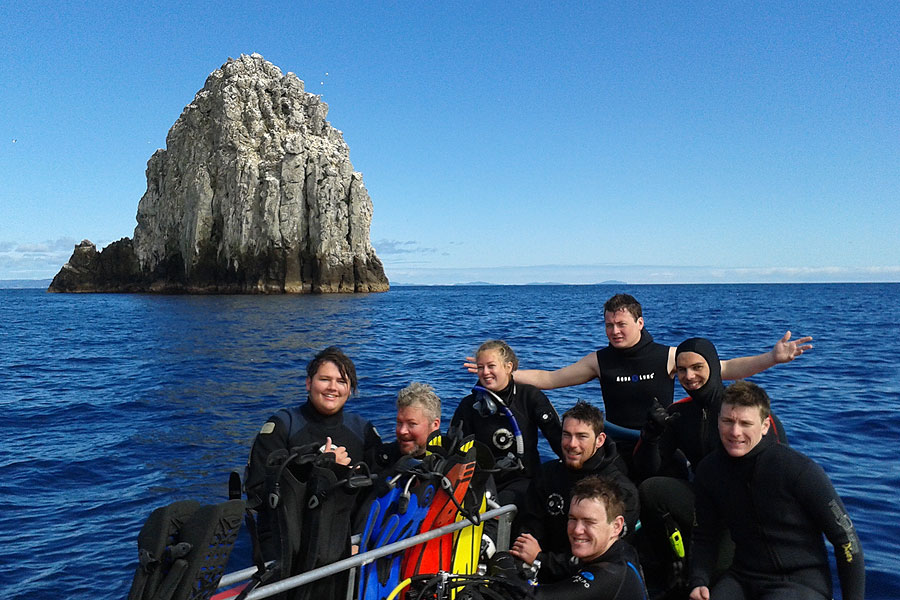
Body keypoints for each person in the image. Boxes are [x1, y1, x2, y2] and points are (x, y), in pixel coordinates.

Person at [494, 293, 812, 463]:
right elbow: (550, 378)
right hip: (616, 446)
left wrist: (772, 358)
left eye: (621, 324)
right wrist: (501, 374)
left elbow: (725, 368)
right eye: (608, 325)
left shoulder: (669, 356)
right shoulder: (599, 361)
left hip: (661, 445)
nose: (614, 331)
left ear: (640, 322)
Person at [632, 338, 788, 593]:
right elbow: (647, 469)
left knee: (717, 579)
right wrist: (650, 435)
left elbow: (780, 474)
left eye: (697, 367)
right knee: (651, 489)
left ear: (714, 367)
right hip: (706, 503)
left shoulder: (745, 412)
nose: (689, 376)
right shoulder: (679, 413)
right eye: (681, 370)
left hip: (745, 516)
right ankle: (673, 563)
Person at [689, 381, 864, 600]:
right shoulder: (709, 470)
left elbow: (846, 540)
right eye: (727, 421)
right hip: (743, 577)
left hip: (801, 582)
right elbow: (704, 535)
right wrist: (699, 581)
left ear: (764, 426)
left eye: (745, 423)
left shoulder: (797, 469)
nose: (735, 432)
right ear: (718, 421)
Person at [244, 346, 382, 560]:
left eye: (342, 382)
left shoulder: (362, 431)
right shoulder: (283, 426)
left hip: (340, 545)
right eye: (325, 379)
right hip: (287, 547)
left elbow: (377, 491)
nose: (332, 388)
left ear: (350, 389)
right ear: (309, 383)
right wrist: (317, 469)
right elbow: (257, 492)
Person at [517, 400, 638, 559]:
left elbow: (607, 555)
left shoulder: (620, 490)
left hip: (594, 574)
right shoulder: (547, 474)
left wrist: (541, 560)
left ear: (600, 440)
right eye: (566, 435)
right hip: (541, 564)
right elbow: (530, 528)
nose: (572, 444)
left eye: (582, 436)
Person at [452, 339, 564, 507]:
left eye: (491, 366)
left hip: (522, 479)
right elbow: (455, 449)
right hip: (481, 482)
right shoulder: (469, 405)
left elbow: (557, 438)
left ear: (508, 367)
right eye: (481, 367)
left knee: (503, 506)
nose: (485, 372)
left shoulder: (529, 397)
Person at [510, 476, 648, 599]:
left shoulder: (612, 573)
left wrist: (504, 568)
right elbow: (570, 566)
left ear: (616, 526)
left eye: (589, 522)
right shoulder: (617, 551)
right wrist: (539, 558)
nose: (577, 530)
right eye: (573, 519)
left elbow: (533, 597)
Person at [376, 381, 442, 467]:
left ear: (434, 425)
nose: (402, 431)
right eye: (399, 423)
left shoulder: (448, 463)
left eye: (412, 424)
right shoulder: (381, 458)